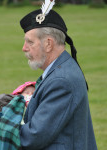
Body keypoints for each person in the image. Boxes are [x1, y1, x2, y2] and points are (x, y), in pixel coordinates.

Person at [19, 0, 98, 150]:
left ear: (48, 44)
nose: (24, 48)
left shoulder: (62, 80)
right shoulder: (60, 69)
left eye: (30, 42)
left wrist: (5, 119)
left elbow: (33, 137)